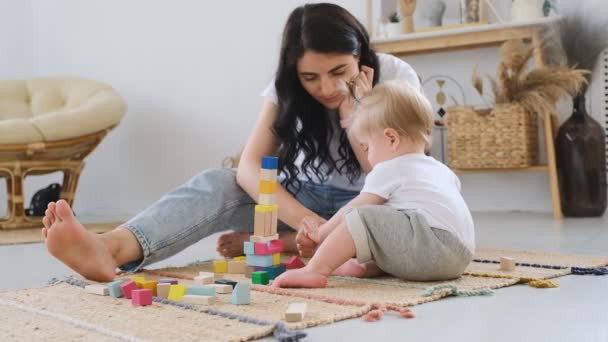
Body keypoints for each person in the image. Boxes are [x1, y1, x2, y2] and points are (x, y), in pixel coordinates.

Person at [42, 3, 421, 282]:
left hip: (372, 203)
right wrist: (310, 224)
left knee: (409, 237)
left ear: (360, 54)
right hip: (305, 201)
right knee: (217, 182)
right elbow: (250, 166)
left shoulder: (395, 75)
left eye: (339, 72)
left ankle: (291, 243)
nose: (325, 88)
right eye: (311, 77)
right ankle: (109, 249)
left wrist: (357, 112)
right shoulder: (286, 88)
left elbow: (390, 175)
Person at [272, 81, 475, 288]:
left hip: (433, 248)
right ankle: (368, 266)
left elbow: (354, 209)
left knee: (361, 216)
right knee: (386, 219)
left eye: (367, 147)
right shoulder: (441, 170)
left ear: (391, 138)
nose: (367, 156)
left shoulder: (390, 168)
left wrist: (321, 233)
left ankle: (314, 270)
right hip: (460, 256)